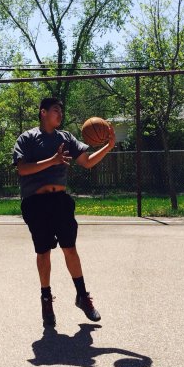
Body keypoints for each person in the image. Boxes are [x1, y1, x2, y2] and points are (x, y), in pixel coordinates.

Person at [12, 97, 116, 327]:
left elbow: (87, 162)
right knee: (43, 253)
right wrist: (53, 160)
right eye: (56, 110)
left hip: (60, 201)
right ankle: (46, 298)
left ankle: (82, 296)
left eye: (61, 111)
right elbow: (22, 169)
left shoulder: (66, 138)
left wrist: (107, 146)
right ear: (43, 113)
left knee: (70, 249)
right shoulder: (27, 138)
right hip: (35, 203)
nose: (60, 114)